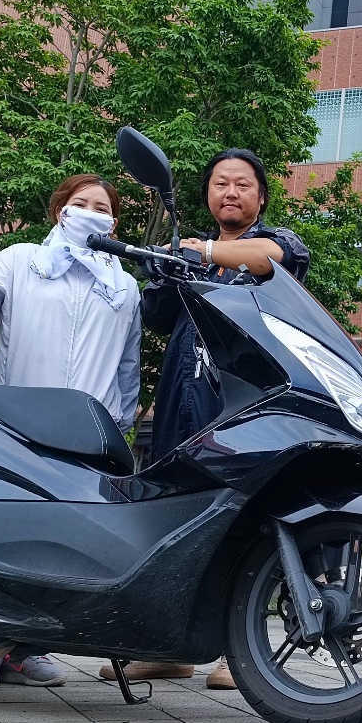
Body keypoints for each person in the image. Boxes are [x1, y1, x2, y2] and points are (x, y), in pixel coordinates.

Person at [99, 148, 309, 690]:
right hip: (181, 401)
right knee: (173, 518)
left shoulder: (275, 242)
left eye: (242, 184)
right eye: (220, 184)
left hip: (244, 404)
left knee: (245, 521)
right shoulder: (188, 257)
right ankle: (169, 649)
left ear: (261, 196)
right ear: (208, 195)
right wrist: (165, 267)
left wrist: (207, 250)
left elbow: (273, 259)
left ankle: (237, 655)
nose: (230, 192)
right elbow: (155, 316)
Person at [0, 174, 141, 687]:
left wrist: (121, 419)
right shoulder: (20, 261)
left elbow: (128, 360)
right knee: (6, 531)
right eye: (81, 202)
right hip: (18, 419)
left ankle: (29, 651)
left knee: (62, 542)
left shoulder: (124, 286)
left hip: (87, 431)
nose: (91, 211)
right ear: (60, 211)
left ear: (114, 222)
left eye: (102, 207)